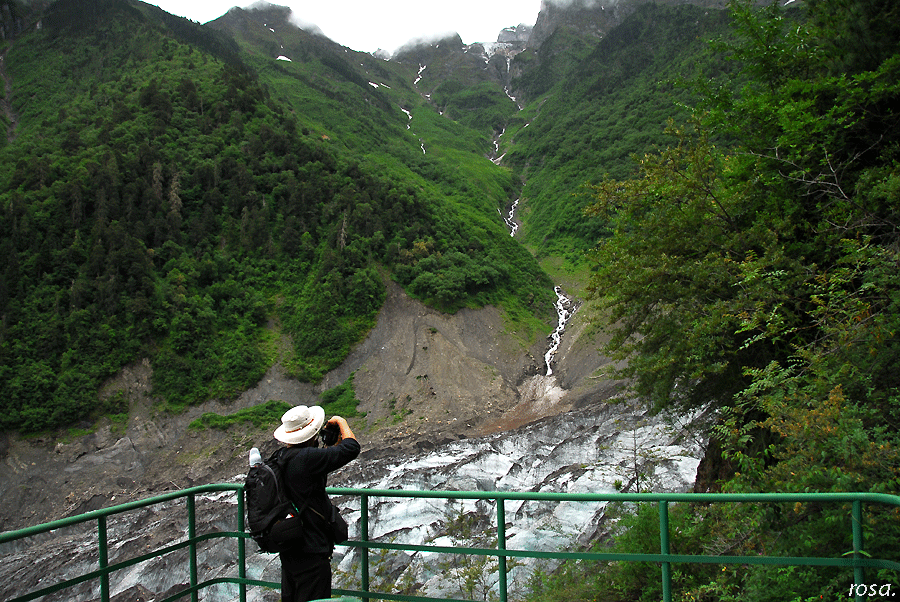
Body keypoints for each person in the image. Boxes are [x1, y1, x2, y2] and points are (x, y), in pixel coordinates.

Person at [272, 404, 360, 602]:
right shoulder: (306, 459)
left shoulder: (282, 457)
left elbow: (311, 476)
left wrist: (329, 446)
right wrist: (341, 422)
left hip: (289, 543)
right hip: (311, 547)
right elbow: (352, 448)